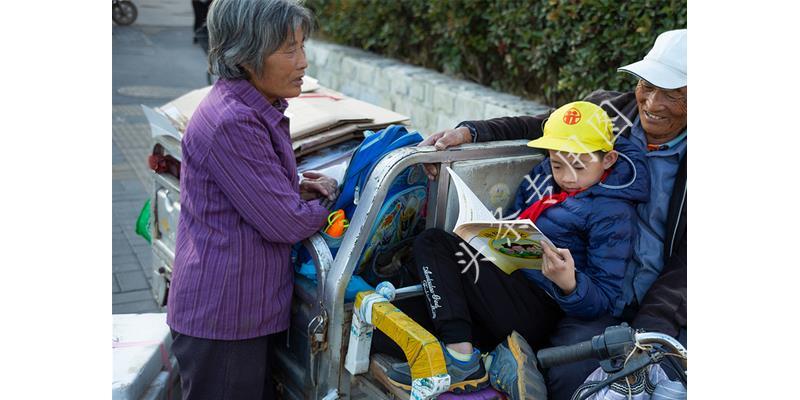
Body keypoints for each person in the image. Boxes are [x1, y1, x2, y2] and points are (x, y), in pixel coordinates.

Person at [417, 29, 687, 399]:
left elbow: (685, 271)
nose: (653, 102)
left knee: (576, 374)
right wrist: (469, 133)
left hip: (628, 300)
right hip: (554, 277)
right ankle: (474, 361)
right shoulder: (609, 113)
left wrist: (646, 334)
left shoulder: (615, 208)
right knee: (437, 259)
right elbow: (543, 125)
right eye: (647, 84)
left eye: (673, 92)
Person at [387, 101, 650, 400]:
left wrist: (570, 284)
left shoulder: (612, 212)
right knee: (397, 326)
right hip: (507, 283)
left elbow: (605, 299)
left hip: (542, 306)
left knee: (433, 243)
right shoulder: (542, 178)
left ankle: (461, 361)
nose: (567, 176)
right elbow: (513, 221)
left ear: (608, 159)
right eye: (557, 164)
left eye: (579, 165)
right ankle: (478, 356)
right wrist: (488, 237)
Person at [166, 1, 337, 399]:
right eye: (288, 50)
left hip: (235, 313)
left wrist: (293, 187)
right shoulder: (234, 121)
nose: (303, 63)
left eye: (302, 46)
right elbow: (286, 223)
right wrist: (331, 199)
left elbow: (251, 190)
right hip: (225, 317)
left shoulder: (252, 107)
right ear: (244, 55)